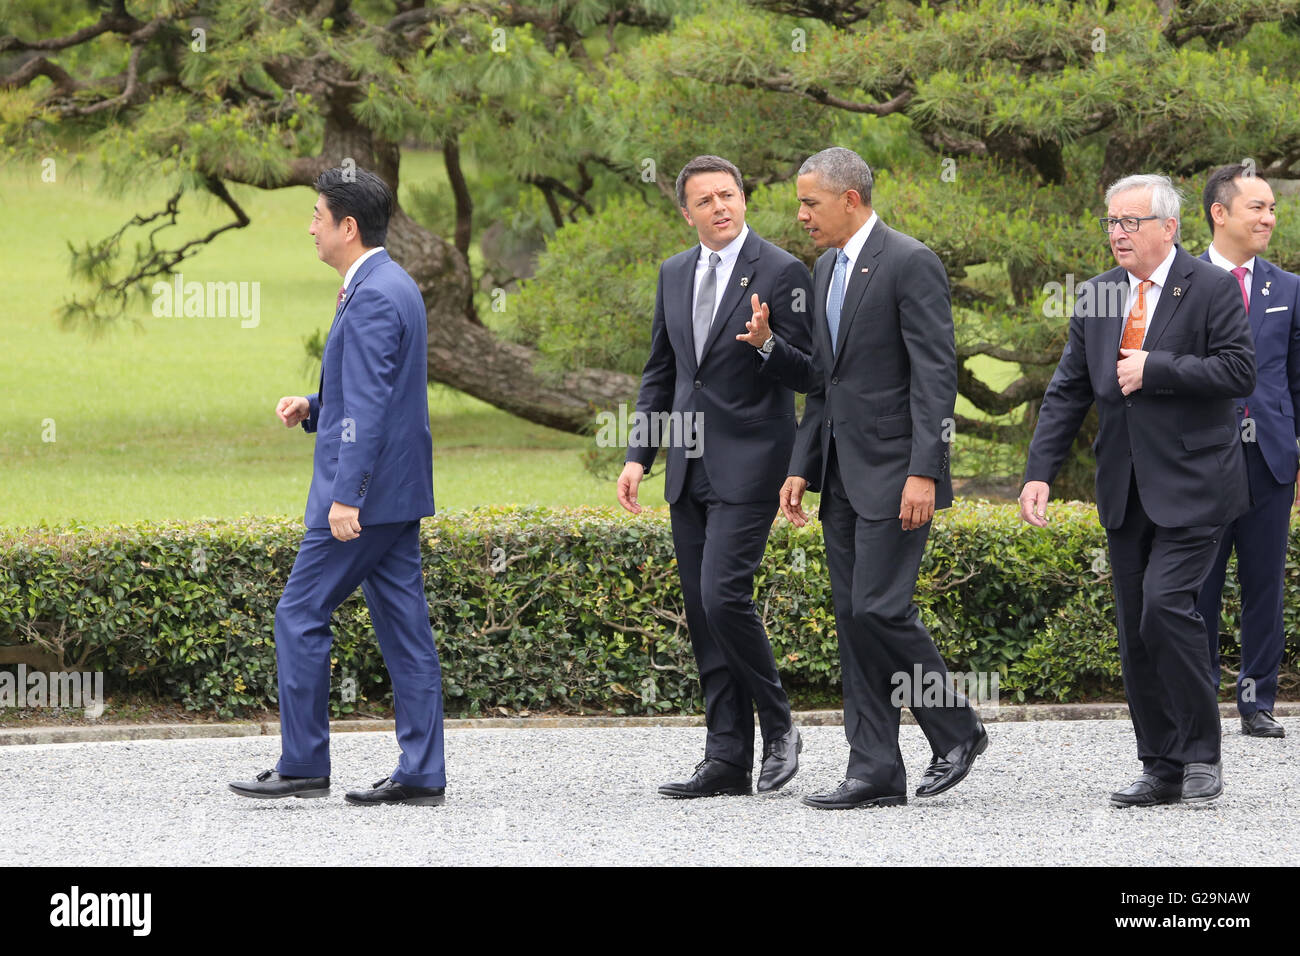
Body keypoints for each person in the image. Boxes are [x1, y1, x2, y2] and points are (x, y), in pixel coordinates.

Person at [1020, 174, 1256, 807]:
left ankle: (1202, 753)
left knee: (1164, 607)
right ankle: (1160, 764)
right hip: (1124, 489)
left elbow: (1238, 370)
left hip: (1196, 484)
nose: (1117, 234)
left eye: (1130, 223)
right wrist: (1038, 471)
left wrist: (1157, 368)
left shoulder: (1209, 287)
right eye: (1111, 223)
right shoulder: (1097, 296)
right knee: (1136, 631)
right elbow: (1068, 390)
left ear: (1168, 228)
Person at [230, 166, 447, 806]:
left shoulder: (375, 293)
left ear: (347, 227)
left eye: (318, 216)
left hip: (364, 500)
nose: (311, 227)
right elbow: (366, 391)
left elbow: (376, 406)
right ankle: (422, 772)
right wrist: (315, 405)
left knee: (298, 615)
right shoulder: (388, 282)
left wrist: (345, 495)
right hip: (397, 495)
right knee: (406, 631)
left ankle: (302, 764)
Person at [781, 146, 987, 810]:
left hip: (899, 475)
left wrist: (926, 470)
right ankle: (873, 769)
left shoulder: (910, 261)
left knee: (879, 609)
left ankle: (957, 727)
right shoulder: (822, 271)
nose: (802, 215)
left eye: (810, 202)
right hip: (841, 477)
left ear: (851, 199)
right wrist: (801, 467)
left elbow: (935, 375)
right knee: (853, 620)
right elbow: (823, 381)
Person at [617, 155, 816, 798]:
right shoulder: (674, 273)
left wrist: (764, 343)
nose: (720, 207)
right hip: (686, 466)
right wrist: (637, 456)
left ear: (744, 199)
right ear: (687, 213)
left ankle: (780, 724)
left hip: (753, 462)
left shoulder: (783, 269)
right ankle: (726, 757)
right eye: (706, 200)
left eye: (728, 195)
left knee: (723, 595)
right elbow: (662, 373)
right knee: (703, 614)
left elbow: (811, 373)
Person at [1194, 164, 1300, 739]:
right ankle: (1197, 696)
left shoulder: (1288, 289)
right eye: (1257, 207)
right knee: (1198, 584)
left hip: (1271, 459)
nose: (1268, 217)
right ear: (1220, 213)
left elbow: (1298, 381)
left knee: (1265, 584)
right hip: (1203, 460)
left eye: (1272, 209)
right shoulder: (1183, 283)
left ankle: (1257, 701)